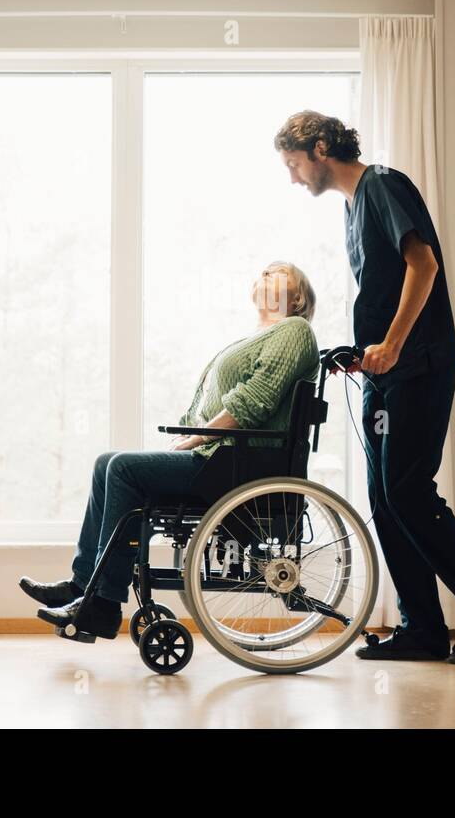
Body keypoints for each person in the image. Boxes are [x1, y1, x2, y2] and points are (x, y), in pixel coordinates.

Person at [275, 111, 455, 663]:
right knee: (386, 500)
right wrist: (365, 353)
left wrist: (393, 344)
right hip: (385, 371)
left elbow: (423, 265)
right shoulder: (351, 206)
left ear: (318, 148)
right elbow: (385, 290)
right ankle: (424, 629)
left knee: (408, 491)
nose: (293, 178)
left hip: (420, 365)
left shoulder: (382, 184)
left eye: (293, 165)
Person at [20, 261, 320, 641]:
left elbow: (254, 401)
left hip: (239, 464)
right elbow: (209, 401)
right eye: (262, 272)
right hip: (222, 457)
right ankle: (83, 585)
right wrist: (188, 433)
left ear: (296, 298)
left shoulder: (294, 330)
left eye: (278, 273)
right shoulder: (256, 337)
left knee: (123, 469)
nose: (265, 275)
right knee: (106, 463)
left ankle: (104, 604)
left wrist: (197, 438)